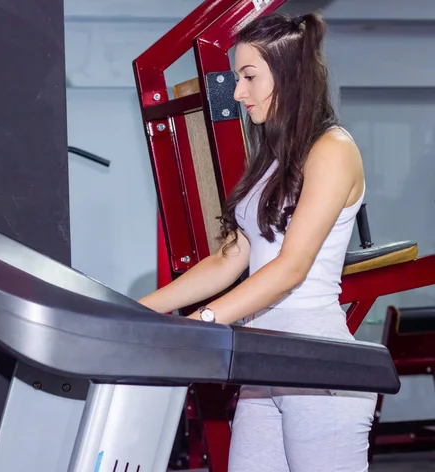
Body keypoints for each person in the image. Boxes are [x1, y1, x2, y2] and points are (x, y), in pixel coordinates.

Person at [138, 11, 377, 472]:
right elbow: (229, 258)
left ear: (290, 74)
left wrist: (203, 321)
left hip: (317, 364)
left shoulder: (333, 149)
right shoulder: (270, 157)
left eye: (248, 76)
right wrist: (140, 311)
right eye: (236, 78)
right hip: (266, 360)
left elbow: (290, 268)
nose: (238, 92)